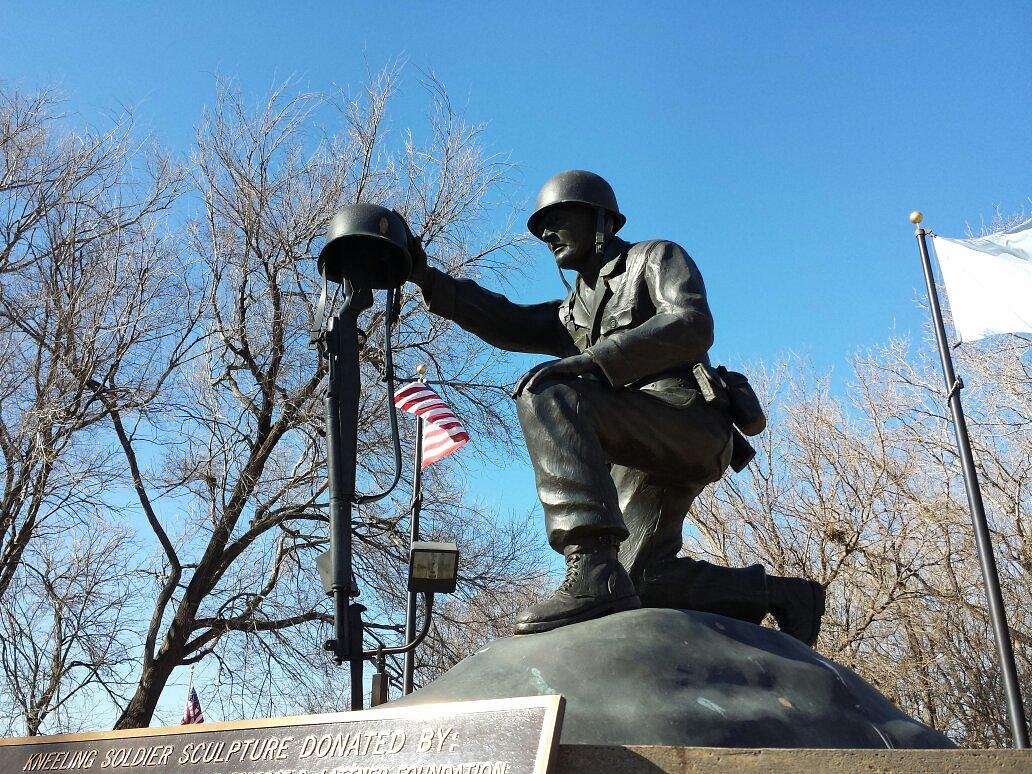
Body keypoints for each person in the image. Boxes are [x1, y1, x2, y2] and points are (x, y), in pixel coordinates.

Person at [406, 170, 825, 644]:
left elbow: (691, 323)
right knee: (641, 582)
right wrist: (425, 277)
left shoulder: (654, 258)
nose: (546, 233)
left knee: (547, 392)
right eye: (541, 225)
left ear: (601, 220)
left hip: (686, 422)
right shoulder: (573, 309)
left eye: (558, 218)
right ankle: (780, 596)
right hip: (634, 443)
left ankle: (588, 560)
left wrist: (590, 361)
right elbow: (510, 322)